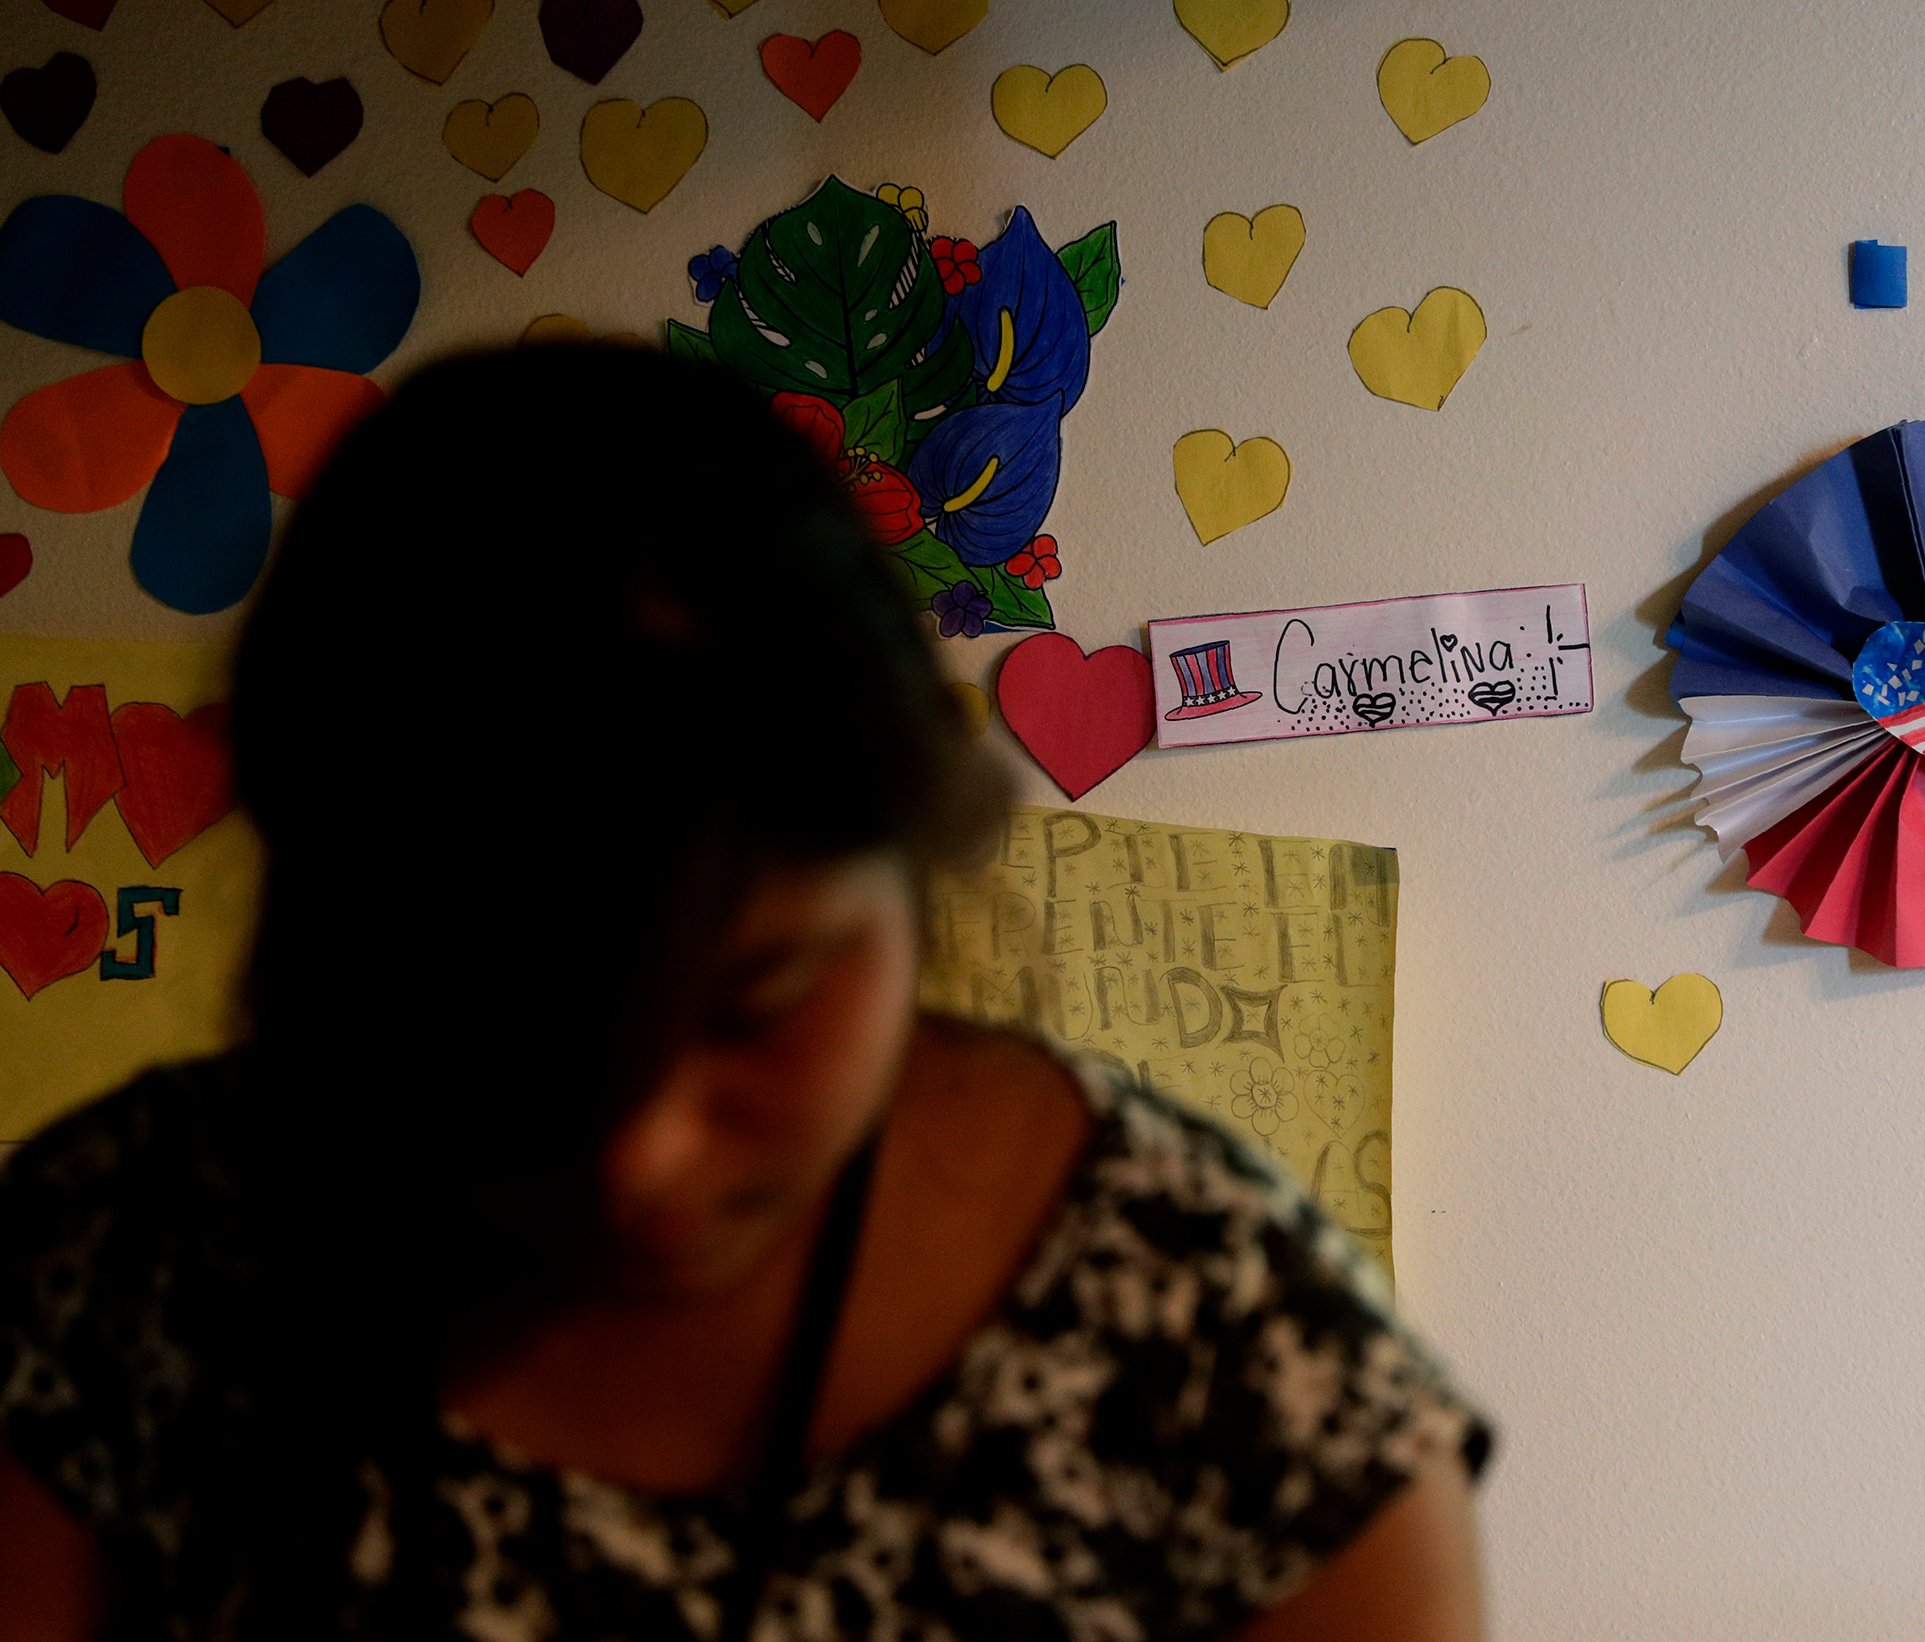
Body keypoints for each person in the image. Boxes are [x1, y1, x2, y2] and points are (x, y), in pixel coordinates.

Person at [0, 348, 1492, 1640]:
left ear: (915, 864)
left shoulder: (1242, 1359)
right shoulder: (116, 1259)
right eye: (500, 1018)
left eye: (759, 998)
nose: (634, 1153)